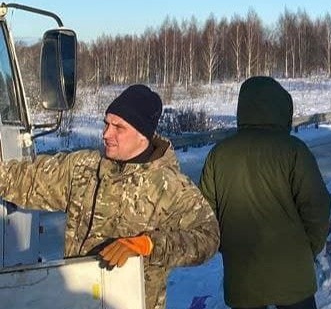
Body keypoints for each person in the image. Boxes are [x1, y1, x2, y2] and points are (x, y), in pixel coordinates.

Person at [0, 84, 219, 309]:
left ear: (142, 135)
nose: (106, 134)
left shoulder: (170, 186)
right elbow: (24, 179)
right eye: (106, 124)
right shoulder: (82, 168)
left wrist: (149, 244)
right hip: (77, 300)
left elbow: (208, 237)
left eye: (118, 127)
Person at [200, 76, 331, 309]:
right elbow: (317, 205)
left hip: (243, 275)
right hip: (293, 274)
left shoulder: (218, 155)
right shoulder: (294, 150)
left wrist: (229, 246)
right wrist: (309, 247)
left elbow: (204, 214)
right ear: (281, 108)